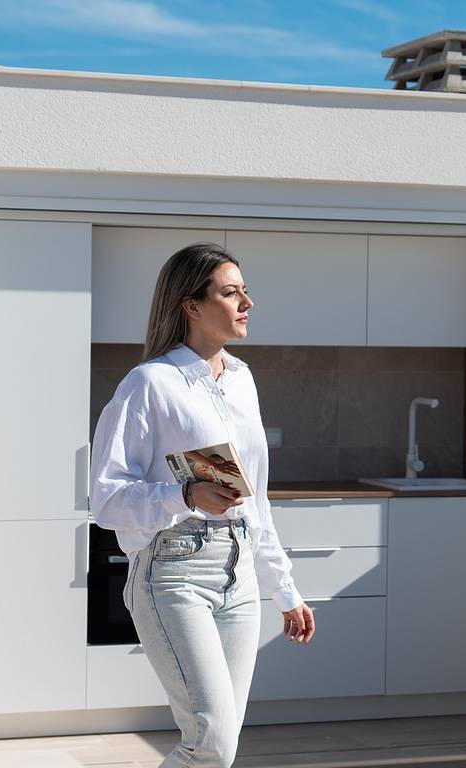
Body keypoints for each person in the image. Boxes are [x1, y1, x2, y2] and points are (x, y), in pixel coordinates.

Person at [89, 242, 316, 768]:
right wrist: (185, 495)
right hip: (173, 572)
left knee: (221, 747)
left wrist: (283, 587)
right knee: (210, 742)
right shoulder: (149, 384)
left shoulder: (242, 380)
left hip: (240, 575)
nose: (247, 303)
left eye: (245, 291)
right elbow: (107, 498)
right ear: (191, 305)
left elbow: (255, 501)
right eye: (231, 293)